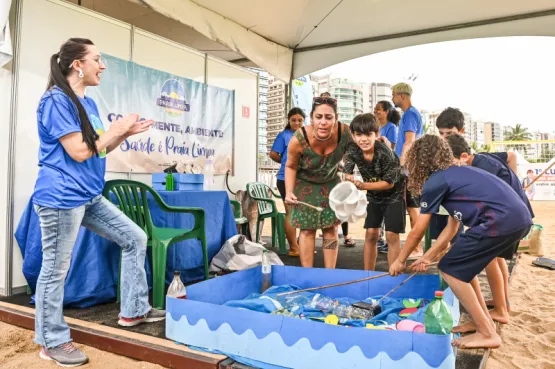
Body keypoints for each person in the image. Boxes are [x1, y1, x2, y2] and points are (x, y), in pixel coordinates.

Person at [32, 38, 161, 367]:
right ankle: (52, 341)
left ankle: (133, 311)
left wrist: (123, 134)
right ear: (78, 64)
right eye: (97, 60)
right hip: (62, 197)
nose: (102, 66)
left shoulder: (87, 103)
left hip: (88, 195)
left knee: (135, 238)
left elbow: (99, 148)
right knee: (55, 270)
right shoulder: (56, 100)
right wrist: (116, 127)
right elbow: (78, 151)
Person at [390, 135, 533, 349]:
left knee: (450, 269)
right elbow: (452, 228)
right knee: (463, 268)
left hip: (500, 221)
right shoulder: (458, 175)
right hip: (516, 218)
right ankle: (481, 323)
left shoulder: (435, 182)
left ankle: (487, 333)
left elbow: (418, 230)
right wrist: (426, 258)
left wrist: (400, 261)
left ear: (418, 163)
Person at [446, 134, 534, 330]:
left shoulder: (479, 167)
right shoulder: (482, 157)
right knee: (498, 258)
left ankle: (501, 309)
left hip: (506, 217)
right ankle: (502, 302)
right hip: (514, 212)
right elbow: (510, 156)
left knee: (490, 259)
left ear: (463, 155)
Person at [284, 96, 353, 268]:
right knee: (307, 230)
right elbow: (291, 166)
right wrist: (288, 191)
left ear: (336, 119)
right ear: (312, 117)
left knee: (331, 229)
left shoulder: (345, 133)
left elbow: (356, 153)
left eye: (329, 117)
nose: (323, 122)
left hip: (331, 184)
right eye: (319, 117)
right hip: (304, 184)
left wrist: (349, 172)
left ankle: (330, 272)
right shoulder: (299, 139)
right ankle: (308, 273)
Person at [344, 113, 405, 270]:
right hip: (374, 195)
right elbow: (347, 171)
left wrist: (363, 186)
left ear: (377, 134)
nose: (363, 139)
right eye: (358, 135)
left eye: (368, 134)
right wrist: (348, 179)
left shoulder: (386, 153)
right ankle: (367, 275)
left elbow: (389, 184)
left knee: (391, 235)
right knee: (371, 233)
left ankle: (394, 274)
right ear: (353, 135)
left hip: (394, 195)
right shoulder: (352, 150)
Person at [391, 82, 424, 259]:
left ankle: (417, 249)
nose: (392, 98)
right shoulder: (411, 114)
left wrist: (402, 163)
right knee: (412, 207)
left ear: (401, 96)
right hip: (410, 166)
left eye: (394, 95)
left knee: (413, 208)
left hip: (408, 167)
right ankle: (416, 247)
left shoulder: (410, 114)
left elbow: (409, 140)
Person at [320, 92, 356, 247]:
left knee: (341, 207)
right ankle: (304, 239)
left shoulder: (344, 131)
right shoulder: (310, 131)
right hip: (314, 180)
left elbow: (350, 153)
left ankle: (346, 235)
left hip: (335, 177)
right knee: (314, 220)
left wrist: (346, 170)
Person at [270, 107, 305, 256]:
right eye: (293, 120)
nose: (296, 123)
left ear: (304, 120)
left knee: (303, 213)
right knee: (291, 212)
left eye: (300, 120)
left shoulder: (307, 134)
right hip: (285, 179)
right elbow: (273, 154)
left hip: (303, 179)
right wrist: (286, 163)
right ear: (289, 121)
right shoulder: (283, 135)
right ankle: (293, 247)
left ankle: (302, 246)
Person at [373, 100, 401, 253]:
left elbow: (392, 149)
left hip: (387, 170)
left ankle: (382, 239)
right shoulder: (376, 127)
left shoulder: (391, 128)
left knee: (386, 205)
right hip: (376, 169)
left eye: (379, 109)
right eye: (375, 109)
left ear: (386, 112)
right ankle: (379, 238)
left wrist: (382, 143)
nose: (376, 111)